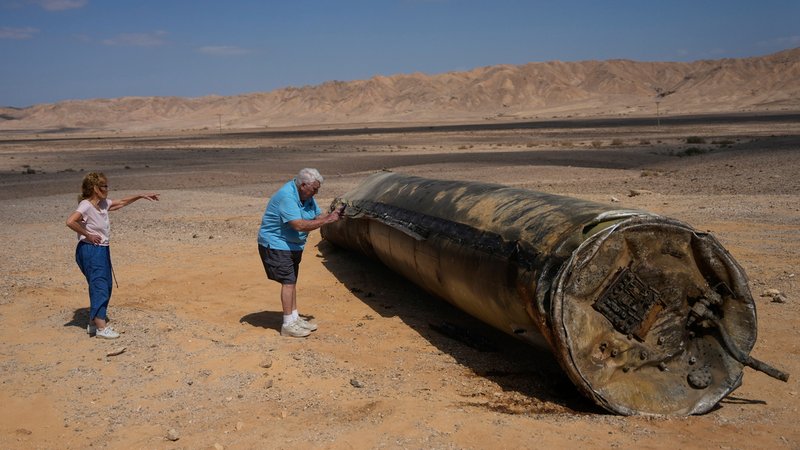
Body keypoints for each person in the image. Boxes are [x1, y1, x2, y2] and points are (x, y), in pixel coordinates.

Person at [65, 172, 159, 339]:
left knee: (104, 284)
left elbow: (121, 202)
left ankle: (93, 324)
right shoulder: (86, 205)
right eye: (104, 186)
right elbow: (70, 221)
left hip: (101, 250)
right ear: (95, 188)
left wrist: (140, 195)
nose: (107, 189)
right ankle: (101, 327)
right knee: (100, 284)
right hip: (91, 250)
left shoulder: (102, 204)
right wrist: (88, 234)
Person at [258, 168, 343, 337]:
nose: (316, 193)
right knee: (288, 282)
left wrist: (334, 214)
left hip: (293, 245)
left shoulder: (306, 196)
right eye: (314, 189)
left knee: (291, 281)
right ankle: (288, 324)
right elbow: (298, 225)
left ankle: (294, 318)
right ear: (303, 185)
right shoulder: (287, 197)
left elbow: (317, 217)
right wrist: (328, 220)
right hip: (276, 244)